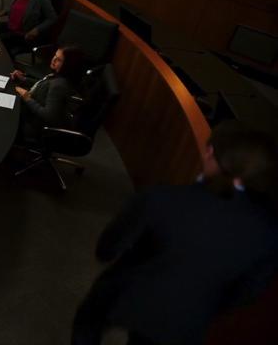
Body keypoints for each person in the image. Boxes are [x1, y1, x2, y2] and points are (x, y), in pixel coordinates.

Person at [72, 121, 278, 345]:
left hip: (124, 296)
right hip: (185, 323)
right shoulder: (269, 233)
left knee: (88, 323)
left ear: (210, 152)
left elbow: (107, 248)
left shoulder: (163, 198)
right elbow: (245, 293)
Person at [9, 45, 86, 142]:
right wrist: (24, 79)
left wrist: (27, 97)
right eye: (55, 56)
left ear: (68, 65)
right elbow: (43, 86)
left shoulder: (59, 85)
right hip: (32, 111)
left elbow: (49, 116)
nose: (53, 60)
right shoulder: (58, 76)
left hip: (34, 126)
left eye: (58, 60)